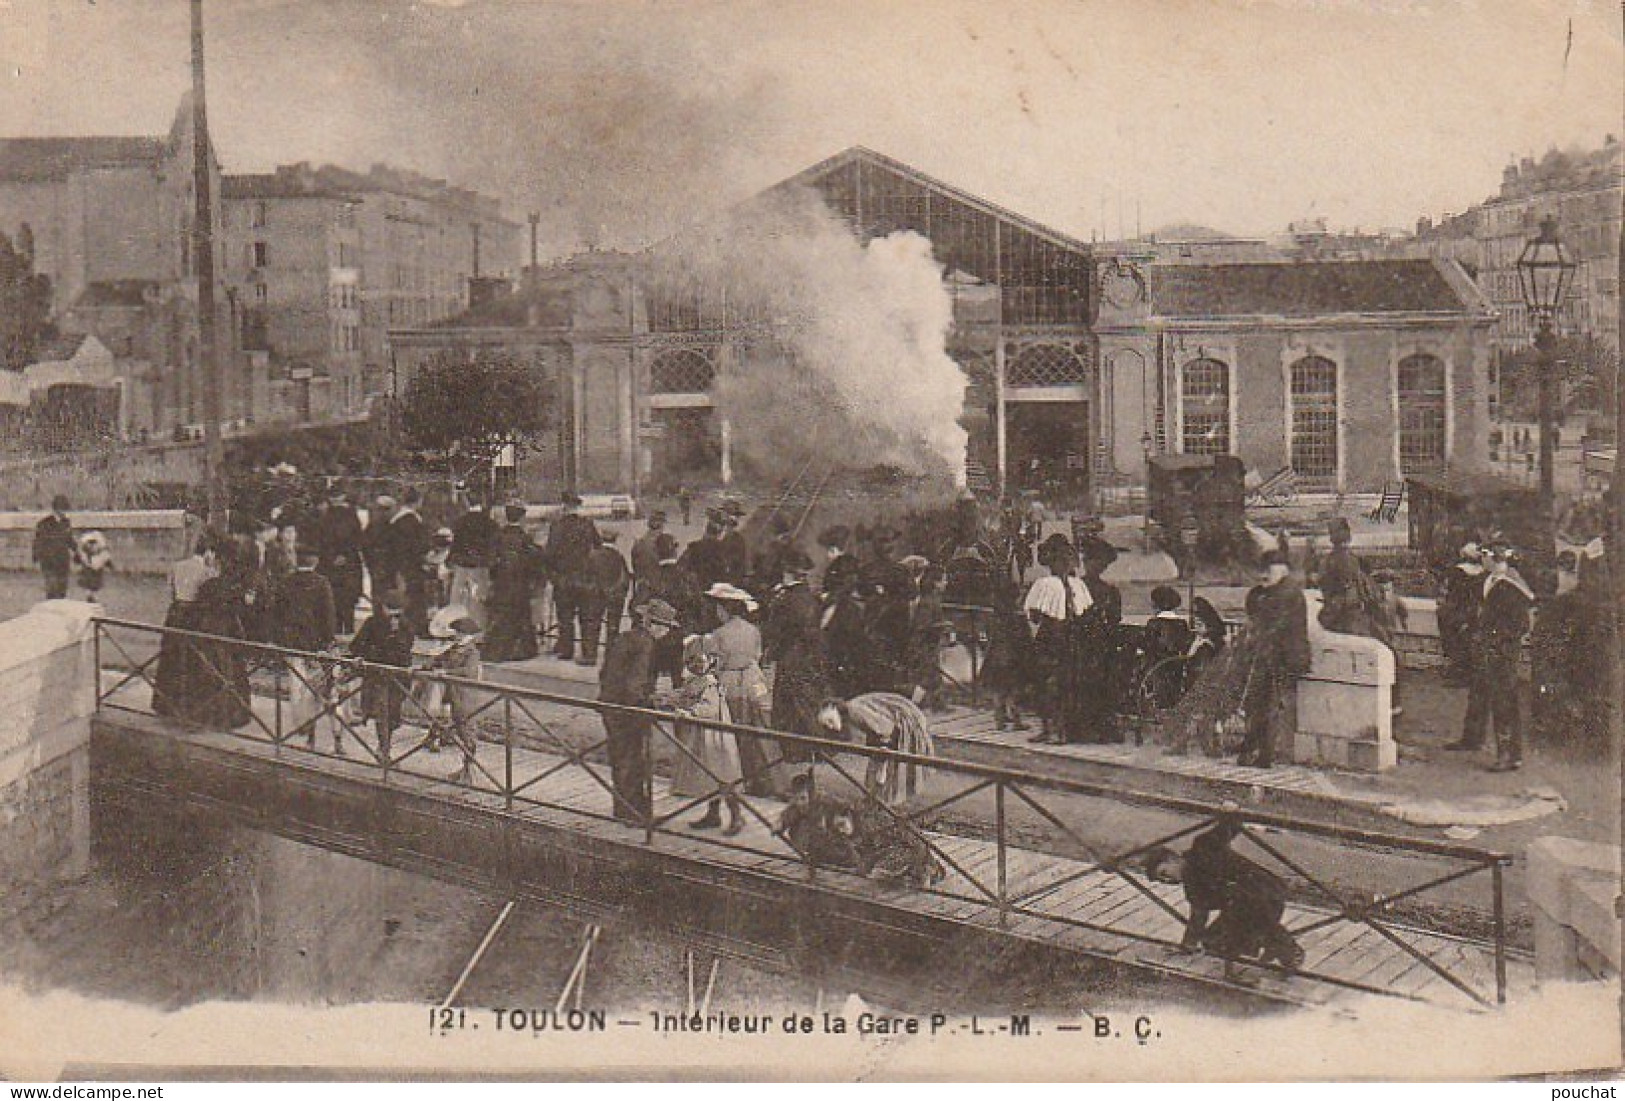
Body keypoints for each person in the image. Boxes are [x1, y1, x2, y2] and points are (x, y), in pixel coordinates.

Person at [1175, 817, 1304, 980]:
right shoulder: (1192, 885)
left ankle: (1283, 950)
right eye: (1162, 880)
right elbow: (1199, 913)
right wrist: (1188, 944)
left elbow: (1229, 826)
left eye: (1164, 873)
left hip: (1264, 894)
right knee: (1214, 940)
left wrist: (1229, 812)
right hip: (1244, 904)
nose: (1167, 879)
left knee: (1228, 937)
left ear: (1173, 858)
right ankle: (1277, 947)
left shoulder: (1202, 846)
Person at [1447, 543, 1535, 771]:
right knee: (1478, 693)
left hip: (1502, 653)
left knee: (1503, 700)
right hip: (1486, 650)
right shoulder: (1490, 579)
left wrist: (1496, 641)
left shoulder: (1510, 585)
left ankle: (1509, 754)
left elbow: (1521, 624)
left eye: (1483, 555)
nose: (1479, 558)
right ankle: (1472, 738)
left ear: (1492, 557)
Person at [599, 599, 679, 825]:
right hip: (627, 710)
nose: (666, 632)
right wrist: (648, 704)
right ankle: (634, 814)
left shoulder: (626, 637)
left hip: (611, 704)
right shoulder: (645, 645)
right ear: (653, 624)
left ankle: (626, 809)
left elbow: (606, 672)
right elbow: (635, 685)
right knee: (633, 760)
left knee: (621, 758)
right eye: (665, 627)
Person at [704, 583, 779, 796]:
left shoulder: (718, 634)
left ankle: (738, 780)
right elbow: (758, 656)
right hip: (754, 682)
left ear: (724, 609)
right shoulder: (753, 630)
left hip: (731, 683)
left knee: (733, 732)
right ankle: (762, 781)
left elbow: (717, 663)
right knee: (757, 732)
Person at [1239, 549, 1311, 768]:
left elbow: (1273, 625)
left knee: (1269, 704)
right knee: (1258, 703)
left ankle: (1263, 755)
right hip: (1268, 656)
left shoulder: (1288, 593)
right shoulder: (1270, 592)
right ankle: (1253, 749)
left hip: (1283, 658)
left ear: (1283, 569)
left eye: (1268, 570)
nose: (1263, 575)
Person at [665, 635, 742, 835]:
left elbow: (709, 707)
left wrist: (691, 712)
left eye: (700, 661)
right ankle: (713, 813)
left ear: (712, 660)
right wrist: (670, 699)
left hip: (714, 735)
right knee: (708, 774)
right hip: (701, 733)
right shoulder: (695, 680)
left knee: (721, 774)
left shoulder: (710, 682)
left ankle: (737, 816)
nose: (695, 665)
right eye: (690, 661)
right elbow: (685, 695)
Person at [1023, 533, 1093, 745]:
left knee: (1044, 683)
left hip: (1050, 637)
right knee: (1066, 683)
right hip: (1071, 638)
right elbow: (1084, 613)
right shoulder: (1077, 585)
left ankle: (1049, 729)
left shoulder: (1045, 584)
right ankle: (1061, 731)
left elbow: (1034, 617)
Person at [761, 548, 829, 763]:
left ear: (787, 572)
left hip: (791, 656)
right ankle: (816, 748)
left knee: (790, 705)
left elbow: (776, 630)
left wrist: (770, 651)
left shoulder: (785, 599)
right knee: (807, 700)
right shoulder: (811, 597)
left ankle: (795, 752)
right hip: (810, 656)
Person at [270, 546, 338, 749]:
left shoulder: (286, 581)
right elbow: (328, 614)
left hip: (291, 641)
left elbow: (276, 612)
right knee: (311, 683)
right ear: (315, 561)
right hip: (314, 641)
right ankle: (309, 721)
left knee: (295, 683)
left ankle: (299, 722)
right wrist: (329, 639)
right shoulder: (321, 583)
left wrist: (278, 638)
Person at [186, 540, 257, 731]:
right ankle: (230, 714)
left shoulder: (208, 586)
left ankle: (209, 714)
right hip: (227, 631)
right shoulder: (234, 587)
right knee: (230, 671)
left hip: (208, 631)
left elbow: (198, 609)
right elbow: (240, 611)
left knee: (209, 671)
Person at [817, 692, 935, 806]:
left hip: (906, 720)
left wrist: (882, 752)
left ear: (834, 708)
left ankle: (883, 801)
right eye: (827, 726)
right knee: (878, 765)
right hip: (892, 727)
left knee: (888, 766)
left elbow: (885, 728)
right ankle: (877, 799)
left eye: (830, 721)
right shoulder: (851, 712)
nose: (831, 727)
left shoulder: (855, 710)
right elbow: (875, 729)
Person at [152, 535, 220, 721]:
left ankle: (165, 703)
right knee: (191, 660)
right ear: (208, 552)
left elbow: (171, 592)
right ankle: (189, 707)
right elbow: (206, 596)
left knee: (170, 658)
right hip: (193, 616)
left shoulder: (177, 566)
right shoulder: (208, 571)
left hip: (175, 613)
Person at [348, 590, 416, 762]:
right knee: (382, 711)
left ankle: (385, 745)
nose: (392, 616)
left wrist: (395, 635)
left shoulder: (405, 626)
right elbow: (356, 646)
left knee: (392, 713)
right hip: (379, 676)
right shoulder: (373, 623)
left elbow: (404, 650)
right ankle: (384, 749)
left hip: (396, 677)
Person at [1076, 535, 1124, 742]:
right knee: (1092, 685)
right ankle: (1091, 727)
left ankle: (1093, 727)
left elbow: (1114, 619)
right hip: (1091, 644)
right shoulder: (1105, 591)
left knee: (1096, 685)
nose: (1095, 567)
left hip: (1095, 645)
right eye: (1091, 561)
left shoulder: (1107, 591)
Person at [483, 504, 546, 662]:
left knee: (500, 616)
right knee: (520, 616)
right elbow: (535, 563)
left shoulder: (497, 537)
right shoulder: (525, 539)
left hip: (501, 584)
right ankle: (519, 650)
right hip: (520, 584)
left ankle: (496, 650)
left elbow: (490, 562)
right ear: (522, 518)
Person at [1315, 517, 1391, 644]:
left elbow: (1325, 588)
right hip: (1352, 617)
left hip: (1337, 617)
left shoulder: (1326, 562)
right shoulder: (1352, 560)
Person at [547, 490, 601, 662]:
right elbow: (598, 546)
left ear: (564, 506)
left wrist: (552, 574)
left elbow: (551, 553)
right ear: (577, 506)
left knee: (565, 616)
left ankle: (566, 650)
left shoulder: (557, 526)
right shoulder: (588, 524)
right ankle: (589, 653)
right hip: (585, 578)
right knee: (587, 617)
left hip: (564, 578)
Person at [310, 488, 364, 634]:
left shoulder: (327, 517)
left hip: (335, 564)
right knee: (346, 600)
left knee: (337, 599)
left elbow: (322, 541)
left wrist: (333, 557)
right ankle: (346, 630)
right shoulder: (351, 515)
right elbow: (357, 540)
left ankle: (339, 629)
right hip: (347, 564)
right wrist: (344, 556)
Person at [982, 577, 1032, 732]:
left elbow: (988, 635)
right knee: (1015, 688)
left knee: (999, 689)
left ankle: (999, 719)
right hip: (1012, 657)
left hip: (995, 656)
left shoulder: (995, 615)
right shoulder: (1018, 616)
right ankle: (1016, 719)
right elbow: (1025, 638)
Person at [447, 495, 499, 628]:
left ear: (467, 502)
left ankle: (457, 633)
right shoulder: (490, 523)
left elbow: (454, 546)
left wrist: (449, 561)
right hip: (480, 568)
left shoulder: (459, 522)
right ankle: (479, 633)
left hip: (461, 567)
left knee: (458, 602)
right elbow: (494, 548)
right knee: (479, 603)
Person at [1437, 543, 1484, 686]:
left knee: (1455, 640)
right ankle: (1468, 671)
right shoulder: (1483, 573)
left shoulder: (1457, 572)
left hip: (1459, 610)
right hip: (1475, 610)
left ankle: (1460, 672)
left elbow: (1451, 593)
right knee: (1469, 640)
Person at [582, 530, 631, 663]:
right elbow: (625, 577)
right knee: (613, 626)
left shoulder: (593, 555)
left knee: (592, 624)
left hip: (596, 595)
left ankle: (590, 655)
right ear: (615, 540)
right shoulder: (619, 556)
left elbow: (586, 577)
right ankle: (610, 656)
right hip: (615, 596)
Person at [388, 488, 432, 638]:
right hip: (412, 565)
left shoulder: (397, 519)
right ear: (418, 501)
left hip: (400, 564)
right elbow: (417, 546)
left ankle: (408, 627)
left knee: (408, 597)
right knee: (416, 597)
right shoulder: (411, 520)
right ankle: (418, 628)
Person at [32, 495, 76, 600]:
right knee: (52, 589)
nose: (63, 512)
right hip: (49, 561)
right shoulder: (44, 523)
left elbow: (69, 540)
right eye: (61, 509)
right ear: (55, 509)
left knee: (62, 589)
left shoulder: (66, 522)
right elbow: (38, 541)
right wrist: (36, 556)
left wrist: (77, 552)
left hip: (63, 560)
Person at [629, 510, 668, 609]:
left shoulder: (639, 543)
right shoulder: (665, 544)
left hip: (642, 585)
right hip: (660, 588)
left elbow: (634, 564)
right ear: (661, 526)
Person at [76, 531, 113, 603]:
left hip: (97, 570)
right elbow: (78, 558)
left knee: (95, 583)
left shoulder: (102, 554)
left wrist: (110, 566)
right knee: (87, 582)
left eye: (94, 544)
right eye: (90, 543)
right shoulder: (84, 554)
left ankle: (93, 596)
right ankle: (89, 595)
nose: (92, 546)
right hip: (87, 570)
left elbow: (107, 560)